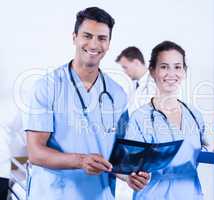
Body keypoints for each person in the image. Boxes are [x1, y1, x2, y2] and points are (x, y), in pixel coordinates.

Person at [23, 7, 149, 200]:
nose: (94, 44)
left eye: (101, 38)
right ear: (74, 37)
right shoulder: (47, 87)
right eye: (87, 35)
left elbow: (118, 156)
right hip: (53, 193)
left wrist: (129, 175)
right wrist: (80, 161)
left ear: (108, 44)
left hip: (98, 194)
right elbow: (35, 152)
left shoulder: (117, 94)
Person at [125, 41, 206, 199]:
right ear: (152, 71)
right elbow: (131, 167)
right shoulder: (140, 118)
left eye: (177, 67)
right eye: (164, 67)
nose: (171, 73)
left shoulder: (194, 115)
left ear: (184, 71)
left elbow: (204, 153)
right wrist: (133, 177)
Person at [116, 46, 156, 115]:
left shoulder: (155, 83)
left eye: (125, 67)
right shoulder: (135, 85)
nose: (124, 72)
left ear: (136, 63)